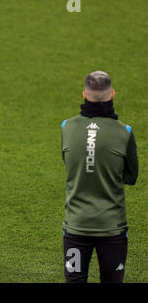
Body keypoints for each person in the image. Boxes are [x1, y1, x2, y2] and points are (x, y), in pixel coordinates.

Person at [61, 71, 138, 283]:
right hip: (112, 228)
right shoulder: (125, 133)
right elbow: (132, 176)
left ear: (84, 95)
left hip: (76, 227)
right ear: (112, 94)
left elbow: (71, 165)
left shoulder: (66, 128)